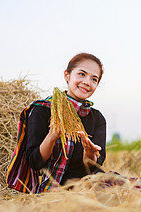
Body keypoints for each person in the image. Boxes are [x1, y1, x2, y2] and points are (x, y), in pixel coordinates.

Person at [7, 53, 106, 193]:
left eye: (94, 79)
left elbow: (93, 168)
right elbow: (34, 162)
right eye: (82, 74)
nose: (87, 82)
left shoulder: (97, 118)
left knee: (133, 188)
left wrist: (89, 154)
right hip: (52, 190)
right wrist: (52, 136)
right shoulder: (42, 110)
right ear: (67, 75)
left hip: (86, 189)